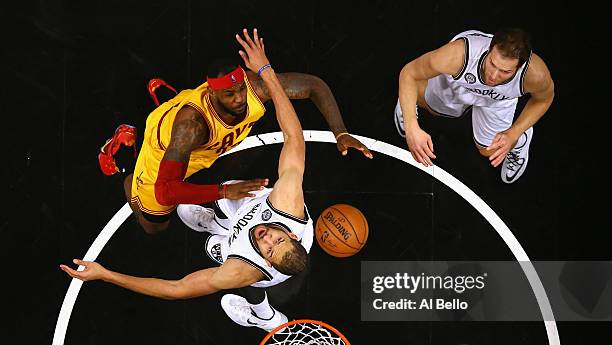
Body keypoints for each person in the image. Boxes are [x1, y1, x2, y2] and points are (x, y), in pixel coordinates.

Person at [62, 29, 314, 332]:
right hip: (252, 201)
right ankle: (218, 222)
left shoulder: (241, 270)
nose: (267, 238)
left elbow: (177, 288)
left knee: (178, 234)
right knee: (233, 191)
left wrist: (107, 275)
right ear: (294, 235)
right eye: (279, 238)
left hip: (245, 248)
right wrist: (264, 69)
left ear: (267, 262)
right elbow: (294, 137)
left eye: (269, 249)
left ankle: (262, 315)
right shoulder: (288, 201)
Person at [99, 36, 372, 235]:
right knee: (154, 226)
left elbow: (313, 86)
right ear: (211, 92)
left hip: (194, 143)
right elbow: (165, 190)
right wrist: (224, 191)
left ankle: (168, 104)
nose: (240, 99)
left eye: (240, 89)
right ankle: (126, 160)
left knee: (199, 148)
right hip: (163, 153)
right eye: (229, 94)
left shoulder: (253, 89)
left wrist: (341, 132)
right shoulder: (191, 127)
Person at [395, 28, 554, 183]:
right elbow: (409, 73)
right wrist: (412, 128)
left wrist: (514, 132)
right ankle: (406, 105)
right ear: (489, 49)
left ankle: (522, 139)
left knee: (489, 150)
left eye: (505, 71)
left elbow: (544, 99)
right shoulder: (457, 56)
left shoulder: (535, 75)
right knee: (426, 103)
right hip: (461, 82)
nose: (493, 75)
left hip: (497, 100)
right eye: (492, 63)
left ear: (519, 68)